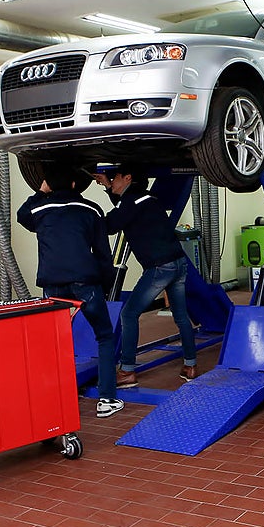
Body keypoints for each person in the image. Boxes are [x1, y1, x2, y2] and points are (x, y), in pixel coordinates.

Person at [17, 165, 123, 418]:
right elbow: (102, 253)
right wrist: (106, 285)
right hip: (85, 282)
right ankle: (107, 399)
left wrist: (40, 192)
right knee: (104, 336)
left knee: (56, 341)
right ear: (75, 185)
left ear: (48, 185)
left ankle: (58, 398)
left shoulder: (40, 209)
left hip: (52, 284)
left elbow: (22, 215)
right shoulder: (91, 209)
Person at [91, 164, 197, 386]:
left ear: (128, 177)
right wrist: (108, 185)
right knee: (181, 316)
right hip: (178, 263)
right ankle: (190, 365)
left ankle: (127, 371)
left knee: (129, 314)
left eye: (115, 177)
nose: (113, 181)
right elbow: (123, 206)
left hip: (160, 267)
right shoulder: (148, 199)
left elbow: (110, 225)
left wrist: (85, 216)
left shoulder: (131, 202)